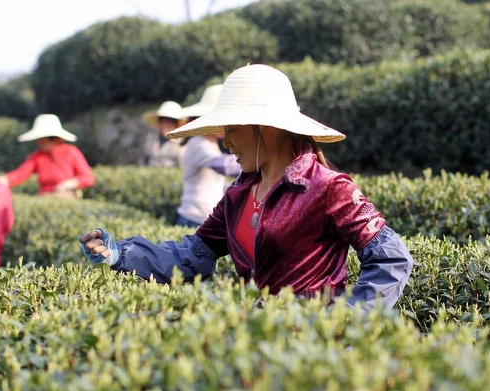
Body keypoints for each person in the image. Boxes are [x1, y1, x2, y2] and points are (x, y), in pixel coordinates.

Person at [80, 64, 413, 310]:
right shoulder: (237, 196)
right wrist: (121, 253)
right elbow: (192, 254)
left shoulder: (329, 188)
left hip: (312, 349)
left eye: (231, 128)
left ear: (264, 128)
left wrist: (347, 319)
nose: (225, 141)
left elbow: (391, 259)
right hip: (256, 341)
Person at [177, 84, 242, 227]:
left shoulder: (209, 142)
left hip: (200, 215)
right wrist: (261, 160)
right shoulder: (198, 143)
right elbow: (225, 166)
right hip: (194, 218)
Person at [0, 114, 95, 199]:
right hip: (45, 197)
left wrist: (69, 184)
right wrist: (1, 181)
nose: (39, 142)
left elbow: (88, 178)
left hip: (65, 197)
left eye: (42, 139)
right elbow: (20, 175)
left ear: (53, 138)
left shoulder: (71, 152)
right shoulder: (37, 156)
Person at [141, 101, 186, 167]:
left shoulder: (182, 143)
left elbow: (182, 168)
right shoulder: (151, 139)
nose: (166, 124)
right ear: (159, 122)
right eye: (163, 119)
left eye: (170, 120)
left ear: (176, 124)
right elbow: (144, 163)